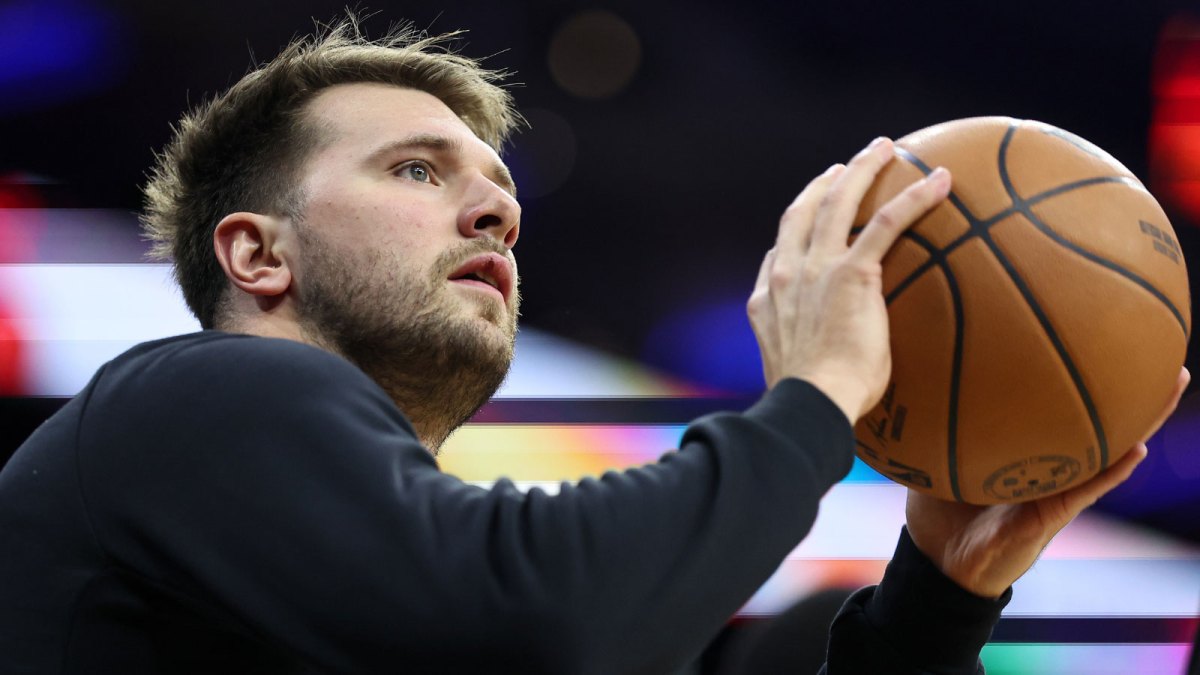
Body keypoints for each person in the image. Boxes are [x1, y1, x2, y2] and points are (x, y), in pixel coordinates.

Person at [0, 17, 1186, 675]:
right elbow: (539, 621)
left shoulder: (385, 574)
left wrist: (940, 592)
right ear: (258, 255)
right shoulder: (185, 401)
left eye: (499, 186)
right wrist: (817, 397)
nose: (497, 209)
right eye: (416, 168)